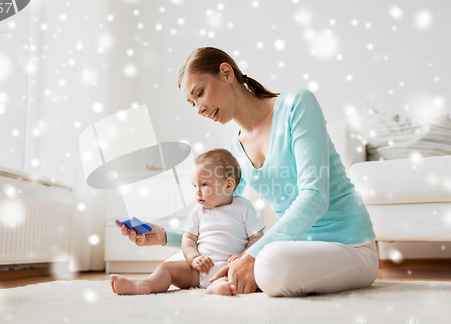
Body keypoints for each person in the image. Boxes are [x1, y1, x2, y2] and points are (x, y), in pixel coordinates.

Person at [117, 47, 379, 297]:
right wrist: (163, 237)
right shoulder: (233, 149)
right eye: (191, 103)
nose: (199, 109)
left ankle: (255, 270)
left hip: (350, 247)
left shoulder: (297, 105)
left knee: (269, 266)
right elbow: (221, 211)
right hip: (295, 249)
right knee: (187, 264)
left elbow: (315, 197)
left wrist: (251, 256)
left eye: (200, 93)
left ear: (226, 73)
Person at [111, 148, 265, 296]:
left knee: (241, 278)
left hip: (231, 267)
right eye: (194, 185)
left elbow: (257, 238)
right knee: (167, 269)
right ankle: (145, 284)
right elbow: (189, 238)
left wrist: (244, 256)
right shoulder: (199, 210)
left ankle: (219, 286)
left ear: (228, 185)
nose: (197, 191)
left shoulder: (243, 207)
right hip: (198, 270)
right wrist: (194, 258)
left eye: (204, 184)